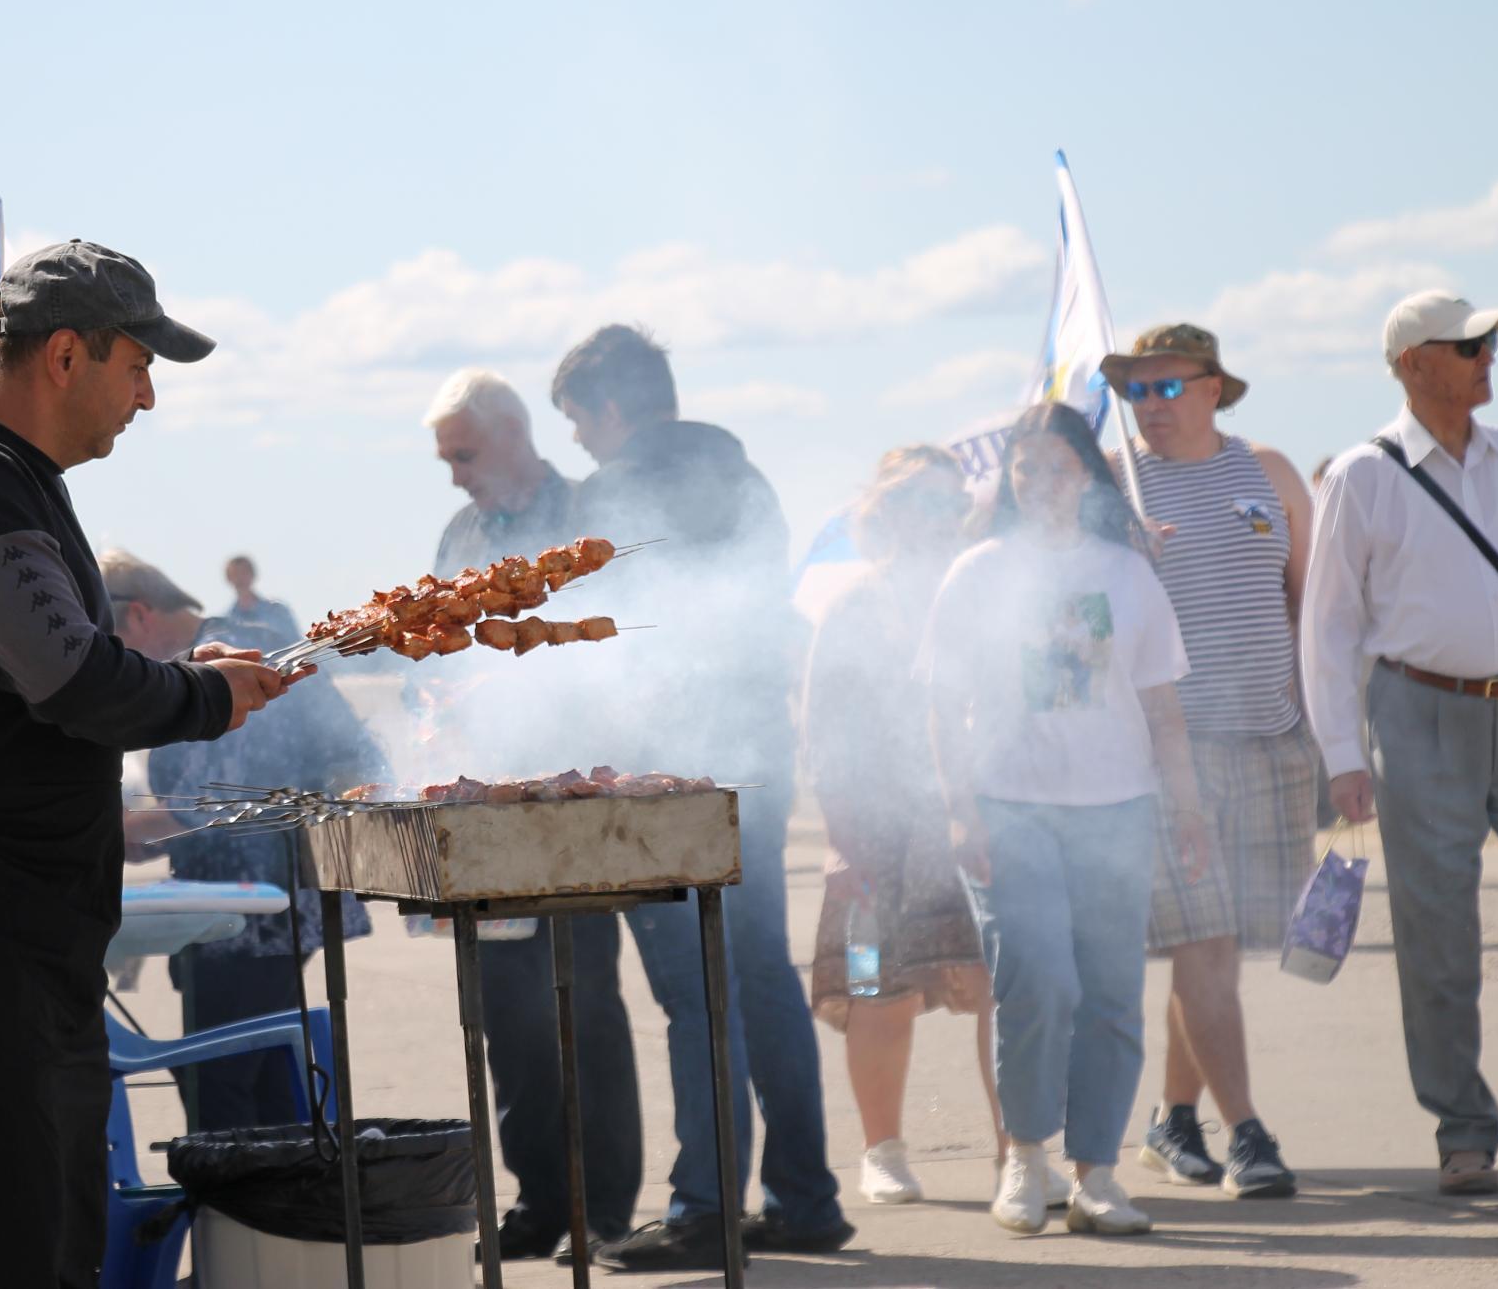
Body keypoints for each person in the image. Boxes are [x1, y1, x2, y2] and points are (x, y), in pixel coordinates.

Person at [0, 240, 293, 1288]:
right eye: (139, 365)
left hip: (22, 930)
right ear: (68, 353)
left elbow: (56, 667)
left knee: (51, 1236)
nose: (145, 396)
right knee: (0, 1246)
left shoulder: (16, 485)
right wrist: (205, 695)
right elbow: (69, 680)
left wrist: (184, 670)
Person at [551, 325, 851, 1270]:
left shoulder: (615, 490)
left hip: (673, 769)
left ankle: (706, 1206)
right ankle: (803, 1199)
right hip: (756, 755)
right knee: (761, 976)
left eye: (577, 421)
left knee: (695, 992)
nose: (579, 445)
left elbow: (613, 643)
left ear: (611, 407)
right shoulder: (747, 478)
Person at [1303, 290, 1498, 1194]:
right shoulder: (1361, 475)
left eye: (1489, 344)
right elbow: (1331, 626)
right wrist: (1343, 755)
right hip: (1415, 714)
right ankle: (1463, 1129)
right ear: (1411, 363)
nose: (1486, 358)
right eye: (1467, 346)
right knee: (1439, 937)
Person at [922, 400, 1210, 1238]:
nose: (1041, 483)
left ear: (1088, 474)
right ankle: (1026, 1157)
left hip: (1118, 809)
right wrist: (958, 812)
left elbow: (1162, 708)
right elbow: (942, 706)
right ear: (1010, 481)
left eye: (1057, 467)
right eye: (1026, 469)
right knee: (1038, 981)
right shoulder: (976, 571)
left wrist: (1185, 808)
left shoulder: (1126, 575)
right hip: (1009, 807)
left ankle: (1098, 1173)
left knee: (1113, 994)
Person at [803, 446, 1071, 1210]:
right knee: (875, 990)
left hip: (979, 822)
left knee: (1002, 989)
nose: (942, 516)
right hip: (877, 836)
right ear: (885, 511)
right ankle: (881, 1150)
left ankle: (1016, 1153)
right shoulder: (854, 605)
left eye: (952, 501)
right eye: (921, 500)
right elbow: (822, 734)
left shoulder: (989, 588)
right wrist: (842, 842)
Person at [419, 367, 644, 1261]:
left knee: (583, 1005)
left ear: (514, 434)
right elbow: (433, 649)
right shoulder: (461, 530)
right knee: (506, 1012)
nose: (456, 474)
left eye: (464, 454)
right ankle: (539, 1199)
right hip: (487, 801)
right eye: (445, 459)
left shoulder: (588, 514)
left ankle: (604, 1205)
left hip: (573, 803)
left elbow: (618, 643)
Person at [1099, 324, 1311, 1199]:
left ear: (1214, 387)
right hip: (1170, 758)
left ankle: (1173, 1118)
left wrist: (1329, 734)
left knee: (1224, 951)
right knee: (1206, 942)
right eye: (1136, 392)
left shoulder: (1269, 470)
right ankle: (1248, 1134)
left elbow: (1311, 605)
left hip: (1274, 740)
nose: (1149, 406)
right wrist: (1124, 550)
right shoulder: (1114, 487)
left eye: (1167, 387)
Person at [105, 551, 384, 1133]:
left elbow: (219, 799)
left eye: (110, 645)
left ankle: (247, 1216)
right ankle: (284, 1214)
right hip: (256, 909)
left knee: (223, 1093)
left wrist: (116, 830)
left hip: (253, 917)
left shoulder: (227, 657)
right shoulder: (238, 645)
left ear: (137, 617)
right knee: (266, 1082)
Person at [222, 555, 299, 638]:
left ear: (253, 574)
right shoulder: (227, 621)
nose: (240, 578)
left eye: (244, 572)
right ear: (228, 578)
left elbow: (295, 642)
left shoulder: (277, 610)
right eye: (235, 574)